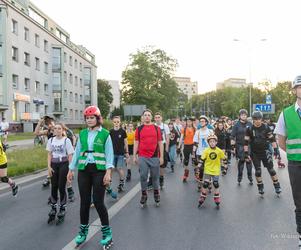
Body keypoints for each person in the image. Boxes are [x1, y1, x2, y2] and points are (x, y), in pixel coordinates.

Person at [67, 106, 114, 249]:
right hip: (84, 170)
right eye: (87, 118)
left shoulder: (105, 134)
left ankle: (107, 233)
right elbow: (77, 152)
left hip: (99, 170)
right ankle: (83, 232)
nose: (89, 120)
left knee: (99, 202)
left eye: (92, 117)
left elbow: (109, 154)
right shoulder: (82, 134)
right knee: (84, 202)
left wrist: (108, 172)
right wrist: (71, 169)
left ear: (98, 119)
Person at [275, 75, 301, 249]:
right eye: (299, 87)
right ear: (294, 90)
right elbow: (281, 139)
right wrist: (293, 153)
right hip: (295, 164)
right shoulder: (285, 113)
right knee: (299, 202)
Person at [244, 111, 281, 197]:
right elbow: (245, 142)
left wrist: (276, 150)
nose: (257, 121)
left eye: (259, 119)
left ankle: (277, 186)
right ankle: (260, 187)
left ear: (261, 119)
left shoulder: (266, 127)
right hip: (255, 153)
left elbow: (272, 139)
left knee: (271, 170)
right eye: (255, 119)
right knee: (258, 171)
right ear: (253, 120)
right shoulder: (249, 129)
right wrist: (246, 153)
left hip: (265, 152)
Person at [134, 109, 163, 207]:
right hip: (142, 156)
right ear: (142, 117)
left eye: (148, 115)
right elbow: (136, 142)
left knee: (155, 177)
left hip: (154, 156)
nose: (147, 116)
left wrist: (161, 156)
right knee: (143, 176)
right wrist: (134, 155)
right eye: (145, 115)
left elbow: (160, 143)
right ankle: (144, 194)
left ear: (151, 117)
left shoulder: (156, 128)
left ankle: (156, 193)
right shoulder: (139, 129)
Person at [46, 123, 74, 225]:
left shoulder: (66, 140)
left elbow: (70, 155)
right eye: (55, 129)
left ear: (62, 130)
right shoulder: (51, 140)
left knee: (61, 187)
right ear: (53, 130)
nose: (57, 130)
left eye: (59, 129)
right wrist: (48, 167)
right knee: (54, 186)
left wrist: (71, 170)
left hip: (64, 164)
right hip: (54, 164)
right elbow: (49, 154)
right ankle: (53, 207)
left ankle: (62, 207)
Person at [198, 134, 226, 209]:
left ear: (216, 142)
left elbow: (224, 159)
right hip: (208, 169)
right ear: (208, 143)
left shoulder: (219, 151)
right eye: (210, 142)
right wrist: (199, 165)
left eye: (213, 141)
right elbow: (202, 159)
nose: (212, 143)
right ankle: (202, 196)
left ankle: (216, 197)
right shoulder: (206, 150)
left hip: (216, 170)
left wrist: (224, 168)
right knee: (205, 184)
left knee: (215, 184)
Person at [231, 109, 253, 185]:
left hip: (249, 145)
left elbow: (253, 135)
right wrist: (233, 147)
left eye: (245, 115)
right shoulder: (236, 125)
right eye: (242, 115)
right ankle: (240, 176)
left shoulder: (250, 124)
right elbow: (232, 136)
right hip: (239, 146)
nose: (243, 116)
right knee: (242, 160)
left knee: (249, 160)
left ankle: (250, 177)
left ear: (246, 116)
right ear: (240, 116)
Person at [110, 116, 129, 192]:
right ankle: (109, 184)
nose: (116, 123)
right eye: (115, 122)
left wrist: (127, 152)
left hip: (121, 153)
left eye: (118, 122)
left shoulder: (123, 131)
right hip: (112, 153)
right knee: (111, 169)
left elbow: (125, 142)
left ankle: (121, 183)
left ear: (120, 122)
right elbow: (108, 143)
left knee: (119, 168)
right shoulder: (110, 131)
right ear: (113, 122)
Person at [193, 115, 213, 187]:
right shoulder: (197, 132)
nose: (201, 122)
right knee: (201, 169)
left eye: (203, 121)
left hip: (209, 153)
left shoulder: (210, 131)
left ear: (206, 122)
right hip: (200, 153)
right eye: (200, 121)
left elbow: (214, 142)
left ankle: (209, 183)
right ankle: (200, 182)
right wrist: (193, 154)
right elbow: (195, 143)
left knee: (209, 169)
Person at [154, 112, 170, 189]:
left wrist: (166, 147)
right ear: (154, 119)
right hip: (154, 146)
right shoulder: (153, 126)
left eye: (158, 117)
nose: (157, 119)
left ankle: (161, 178)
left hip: (162, 145)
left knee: (162, 164)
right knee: (154, 162)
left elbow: (167, 137)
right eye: (156, 117)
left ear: (161, 118)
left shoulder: (165, 126)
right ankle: (153, 180)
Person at [179, 117, 196, 182]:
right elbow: (181, 138)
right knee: (186, 161)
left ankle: (196, 174)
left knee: (194, 160)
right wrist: (179, 146)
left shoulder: (195, 129)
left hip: (193, 146)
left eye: (190, 121)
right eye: (187, 121)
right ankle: (186, 174)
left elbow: (197, 138)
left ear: (192, 122)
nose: (188, 123)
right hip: (186, 146)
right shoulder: (184, 129)